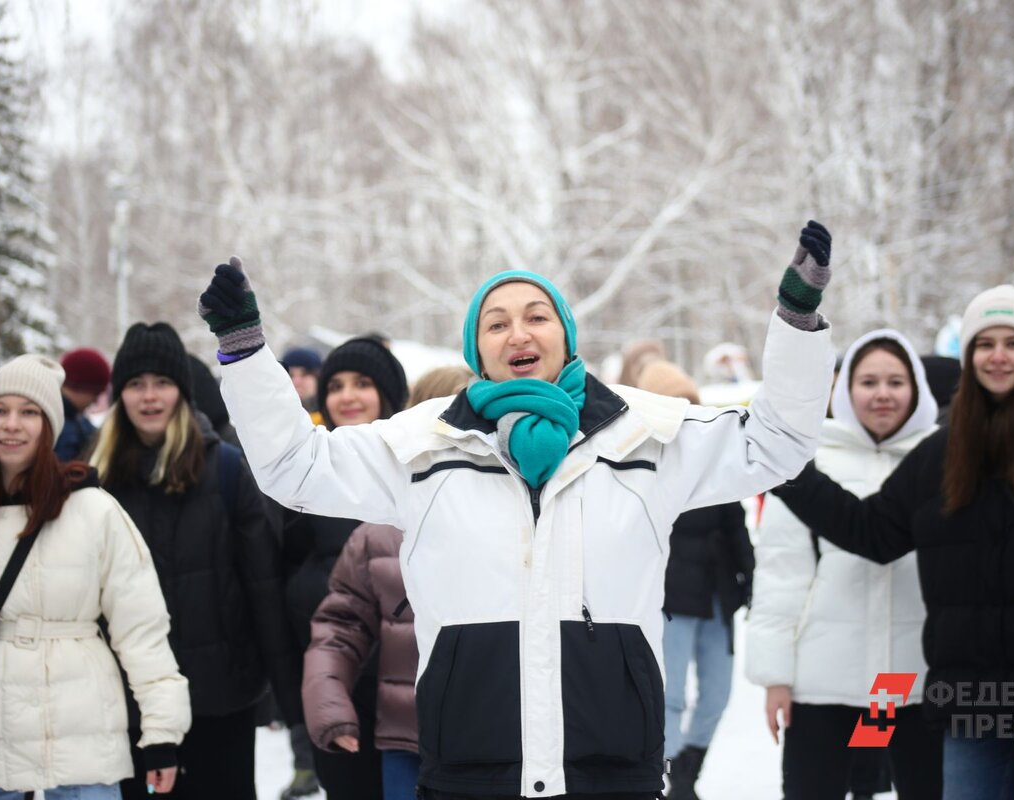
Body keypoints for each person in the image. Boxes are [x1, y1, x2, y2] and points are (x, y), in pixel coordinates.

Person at [198, 219, 835, 799]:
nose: (518, 332)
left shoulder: (645, 435)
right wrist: (246, 350)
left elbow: (775, 444)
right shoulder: (424, 445)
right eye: (496, 323)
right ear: (478, 351)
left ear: (566, 335)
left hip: (614, 770)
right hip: (470, 769)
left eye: (537, 316)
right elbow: (295, 468)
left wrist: (798, 321)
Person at [772, 286, 1014, 800]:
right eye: (984, 344)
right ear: (968, 358)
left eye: (1013, 342)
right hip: (970, 700)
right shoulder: (942, 454)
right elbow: (872, 532)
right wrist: (785, 467)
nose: (998, 355)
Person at [0, 354, 190, 799]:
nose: (11, 425)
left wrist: (162, 732)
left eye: (29, 412)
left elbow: (143, 629)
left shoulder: (94, 511)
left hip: (81, 739)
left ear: (50, 426)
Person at [88, 322, 303, 800]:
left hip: (219, 698)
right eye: (136, 384)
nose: (149, 396)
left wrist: (293, 706)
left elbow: (262, 587)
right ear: (119, 395)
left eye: (162, 382)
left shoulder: (225, 469)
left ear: (182, 392)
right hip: (126, 701)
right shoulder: (94, 479)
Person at [746, 328, 943, 800]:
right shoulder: (810, 464)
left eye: (895, 382)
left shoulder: (942, 460)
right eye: (868, 381)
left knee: (916, 788)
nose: (882, 394)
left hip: (908, 677)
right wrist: (776, 676)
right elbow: (781, 574)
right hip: (826, 679)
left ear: (916, 389)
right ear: (845, 390)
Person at [302, 365, 472, 800]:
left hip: (492, 737)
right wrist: (330, 703)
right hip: (404, 737)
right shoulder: (379, 533)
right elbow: (338, 630)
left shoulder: (520, 522)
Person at [281, 336, 410, 800]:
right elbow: (281, 569)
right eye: (335, 385)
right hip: (339, 687)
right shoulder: (307, 479)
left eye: (362, 383)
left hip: (415, 694)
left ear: (390, 394)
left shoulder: (419, 470)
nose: (347, 396)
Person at [634, 360, 753, 800]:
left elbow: (736, 521)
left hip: (719, 594)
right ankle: (672, 776)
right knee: (671, 696)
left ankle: (687, 769)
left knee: (718, 693)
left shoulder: (711, 455)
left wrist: (749, 576)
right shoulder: (642, 460)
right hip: (671, 598)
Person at [56, 346, 111, 461]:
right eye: (96, 394)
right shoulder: (64, 429)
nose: (95, 401)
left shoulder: (75, 419)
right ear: (81, 388)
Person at [282, 346, 324, 423]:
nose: (296, 382)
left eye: (305, 374)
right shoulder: (273, 417)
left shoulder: (333, 420)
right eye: (291, 375)